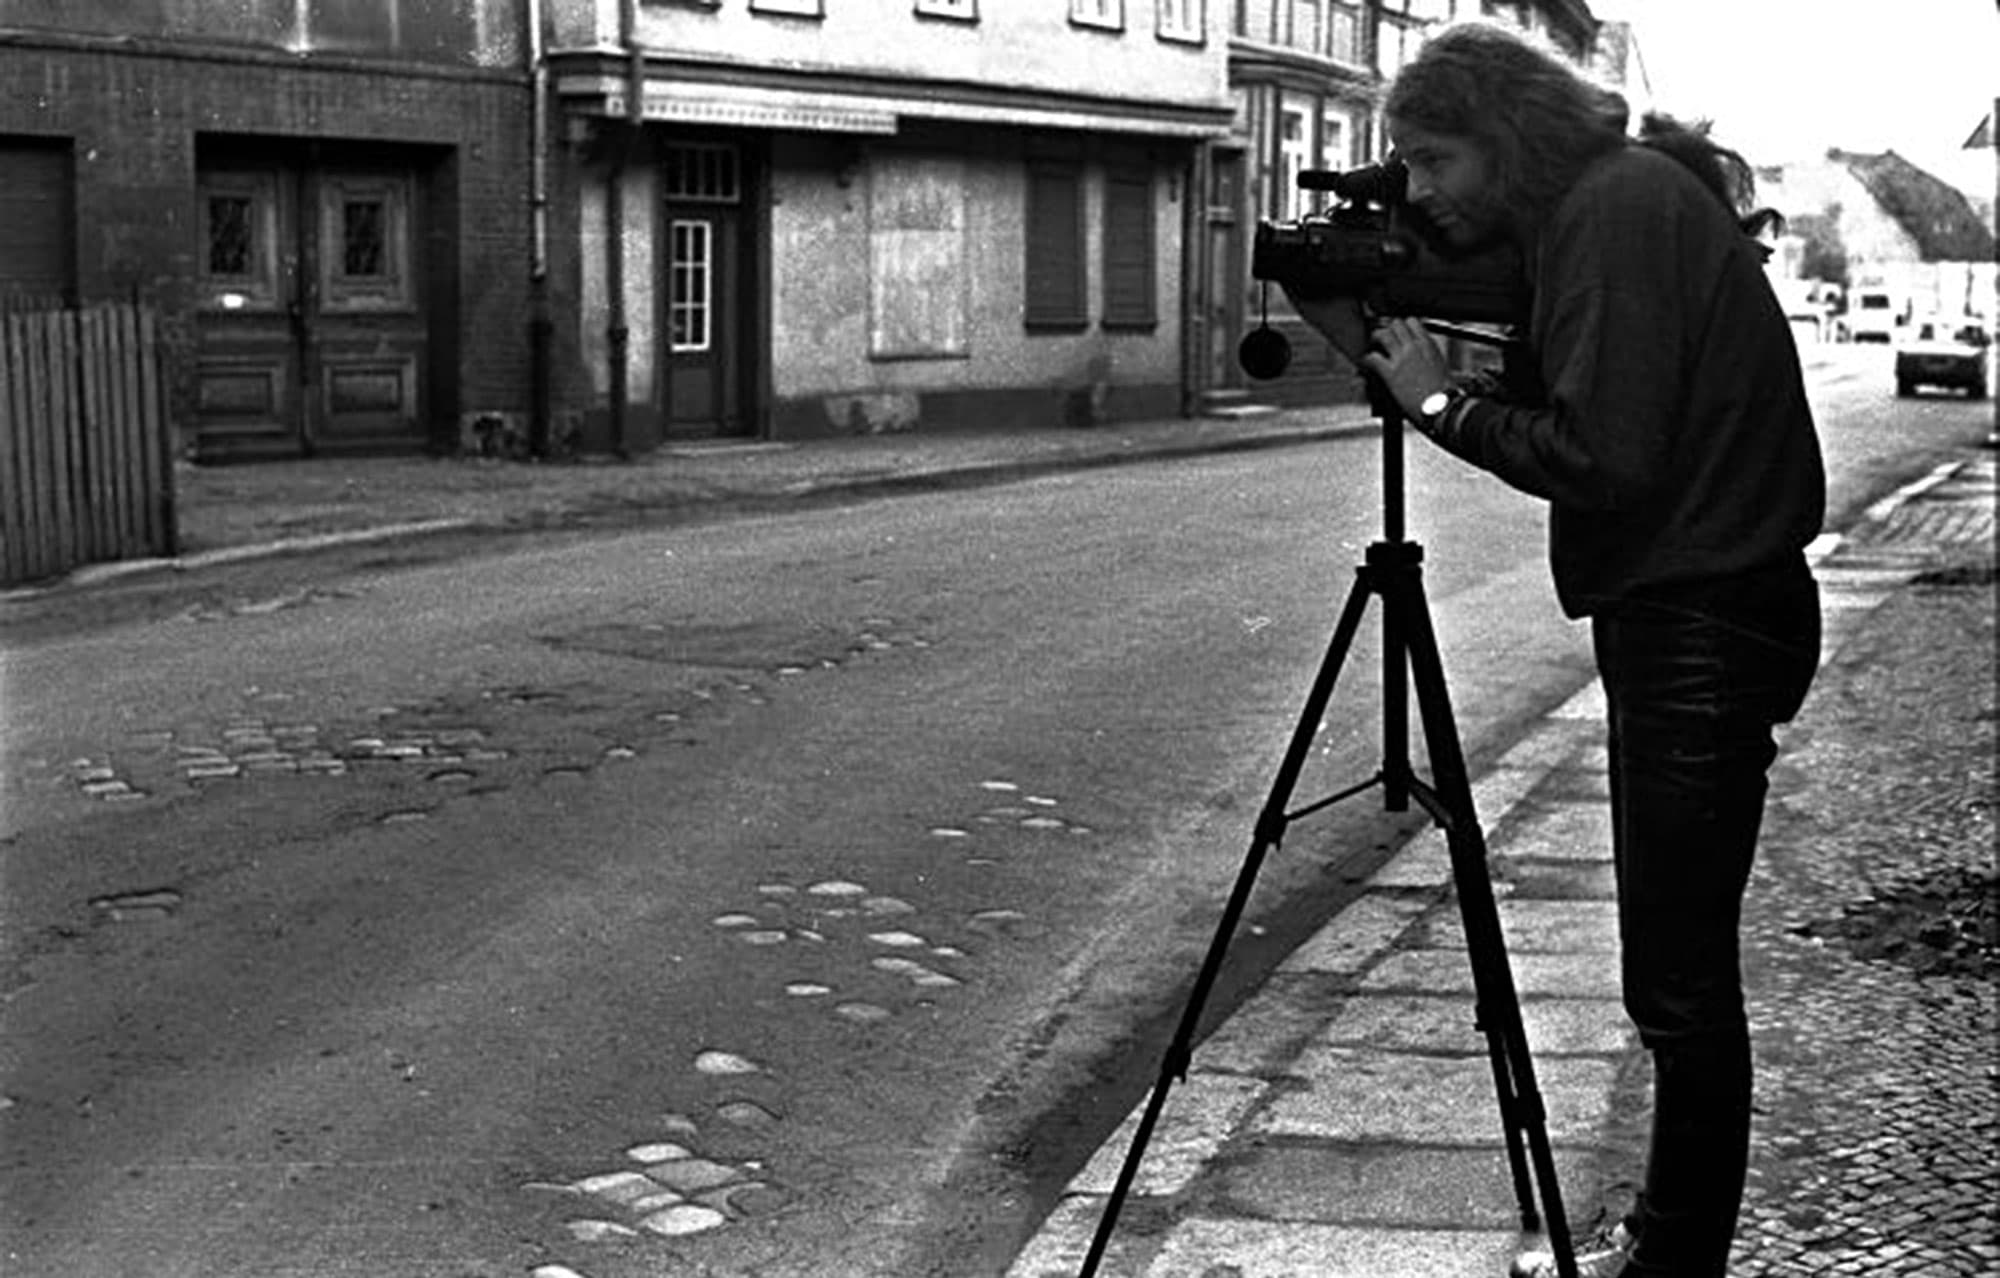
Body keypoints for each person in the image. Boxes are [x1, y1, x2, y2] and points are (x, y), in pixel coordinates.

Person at [1284, 22, 1826, 1278]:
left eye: (1431, 162)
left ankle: (1672, 1260)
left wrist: (1434, 400)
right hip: (1697, 615)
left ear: (1508, 138)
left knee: (1678, 990)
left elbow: (1602, 457)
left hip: (1698, 626)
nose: (1417, 194)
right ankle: (1665, 1241)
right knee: (1672, 981)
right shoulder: (1617, 201)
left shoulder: (1611, 215)